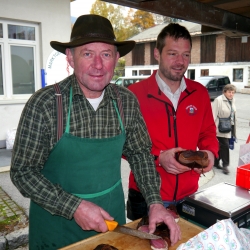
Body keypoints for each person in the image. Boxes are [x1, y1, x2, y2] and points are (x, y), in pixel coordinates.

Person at [10, 15, 181, 249]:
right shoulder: (46, 104)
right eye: (88, 53)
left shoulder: (126, 102)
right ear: (70, 57)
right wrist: (74, 207)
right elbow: (23, 173)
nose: (98, 65)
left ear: (116, 58)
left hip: (111, 226)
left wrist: (154, 203)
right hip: (55, 232)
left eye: (106, 54)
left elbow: (141, 154)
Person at [126, 23, 219, 220]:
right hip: (146, 197)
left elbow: (208, 132)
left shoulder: (199, 93)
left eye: (186, 55)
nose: (180, 61)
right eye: (172, 54)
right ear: (157, 53)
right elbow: (121, 145)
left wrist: (210, 153)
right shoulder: (133, 94)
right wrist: (158, 158)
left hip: (189, 194)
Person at [212, 84, 237, 174]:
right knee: (225, 146)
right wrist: (212, 129)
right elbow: (213, 115)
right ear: (225, 92)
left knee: (221, 146)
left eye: (233, 92)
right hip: (220, 127)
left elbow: (233, 113)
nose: (231, 94)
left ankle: (216, 162)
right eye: (229, 92)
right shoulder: (218, 100)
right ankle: (225, 165)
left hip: (229, 127)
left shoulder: (232, 100)